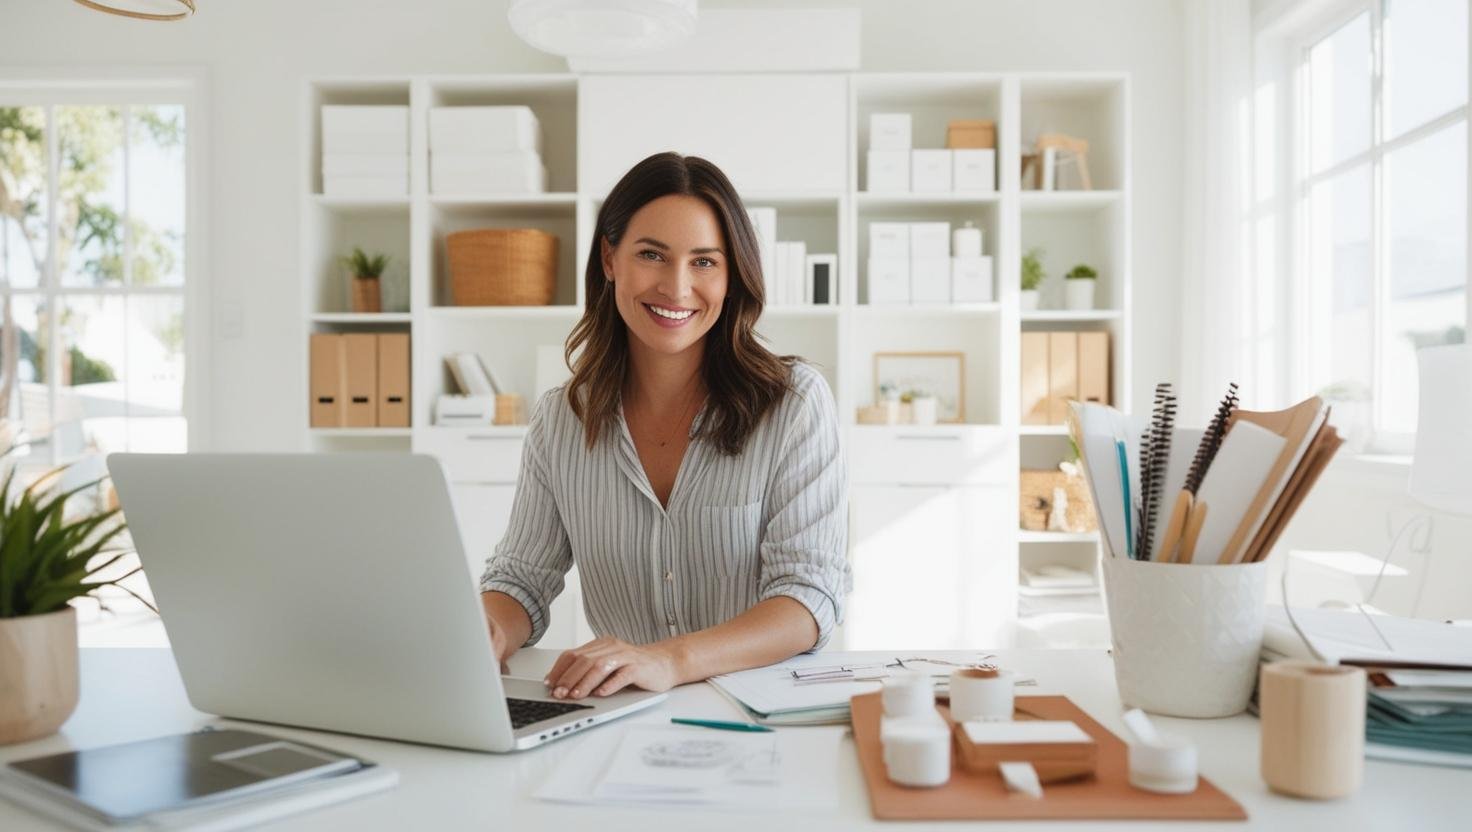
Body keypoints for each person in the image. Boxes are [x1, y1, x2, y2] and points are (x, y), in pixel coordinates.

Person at [478, 151, 849, 701]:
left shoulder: (794, 404)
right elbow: (521, 579)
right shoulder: (562, 419)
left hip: (764, 714)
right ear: (610, 259)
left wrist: (669, 659)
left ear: (731, 276)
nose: (676, 288)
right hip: (619, 711)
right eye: (652, 255)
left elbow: (807, 598)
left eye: (704, 262)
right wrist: (486, 631)